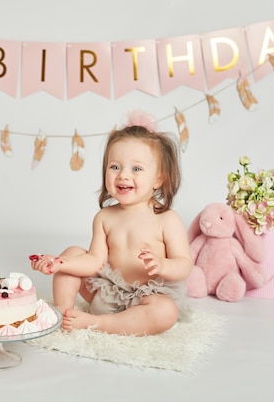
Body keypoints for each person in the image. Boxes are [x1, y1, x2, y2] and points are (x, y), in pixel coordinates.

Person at [30, 110, 193, 336]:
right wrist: (60, 262)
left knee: (165, 312)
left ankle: (100, 323)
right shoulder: (105, 217)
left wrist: (163, 265)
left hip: (147, 296)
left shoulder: (167, 219)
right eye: (115, 167)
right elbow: (95, 261)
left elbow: (185, 264)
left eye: (136, 169)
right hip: (106, 293)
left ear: (159, 178)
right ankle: (63, 313)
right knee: (73, 252)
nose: (123, 175)